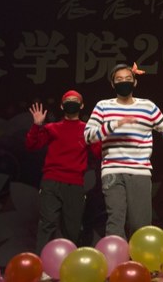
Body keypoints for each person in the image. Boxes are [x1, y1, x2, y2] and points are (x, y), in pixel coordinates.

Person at [84, 63, 163, 238]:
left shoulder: (148, 107)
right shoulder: (103, 106)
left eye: (128, 79)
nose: (124, 82)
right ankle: (115, 255)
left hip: (140, 171)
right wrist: (114, 124)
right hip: (112, 171)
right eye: (119, 79)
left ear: (135, 82)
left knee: (140, 225)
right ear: (112, 84)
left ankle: (138, 256)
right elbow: (88, 136)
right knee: (115, 221)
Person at [25, 90, 101, 253]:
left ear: (82, 105)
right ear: (61, 106)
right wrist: (37, 125)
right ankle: (42, 263)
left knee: (72, 228)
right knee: (47, 224)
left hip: (75, 185)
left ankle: (70, 263)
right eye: (68, 100)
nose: (71, 103)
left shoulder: (87, 129)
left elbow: (98, 152)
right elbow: (32, 145)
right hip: (51, 182)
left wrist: (103, 133)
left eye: (75, 100)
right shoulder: (52, 128)